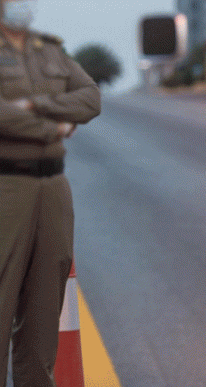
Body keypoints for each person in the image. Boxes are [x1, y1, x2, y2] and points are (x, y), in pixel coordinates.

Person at [0, 0, 100, 385]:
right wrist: (54, 127)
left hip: (54, 189)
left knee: (44, 314)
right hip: (6, 187)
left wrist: (35, 105)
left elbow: (90, 98)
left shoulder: (51, 49)